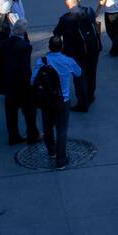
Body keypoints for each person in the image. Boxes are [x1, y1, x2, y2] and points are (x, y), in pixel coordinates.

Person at [32, 35, 81, 169]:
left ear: (49, 47)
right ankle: (61, 159)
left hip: (46, 100)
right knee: (61, 129)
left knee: (47, 128)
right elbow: (79, 73)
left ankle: (51, 151)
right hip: (62, 101)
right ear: (62, 47)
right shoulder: (68, 61)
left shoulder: (41, 61)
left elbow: (33, 80)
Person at [53, 0, 100, 111]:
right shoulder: (89, 11)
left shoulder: (65, 19)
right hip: (93, 49)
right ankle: (90, 95)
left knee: (79, 77)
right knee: (91, 72)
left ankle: (83, 103)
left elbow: (56, 33)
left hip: (76, 53)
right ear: (78, 0)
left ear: (67, 3)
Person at [0, 20, 39, 146]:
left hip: (9, 84)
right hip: (23, 85)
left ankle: (13, 136)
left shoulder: (2, 44)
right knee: (29, 112)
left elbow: (0, 66)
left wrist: (2, 83)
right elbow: (25, 69)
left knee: (11, 112)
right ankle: (33, 135)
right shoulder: (25, 47)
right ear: (24, 32)